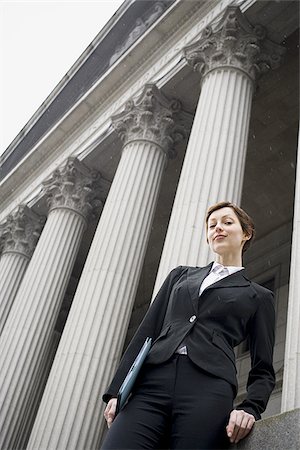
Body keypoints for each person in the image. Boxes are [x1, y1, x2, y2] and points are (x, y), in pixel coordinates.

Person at [101, 201, 276, 449]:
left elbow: (263, 366)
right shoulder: (180, 276)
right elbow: (147, 332)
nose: (218, 228)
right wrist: (117, 390)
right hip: (152, 383)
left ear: (246, 234)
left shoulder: (258, 296)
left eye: (227, 222)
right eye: (212, 225)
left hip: (208, 388)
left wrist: (251, 407)